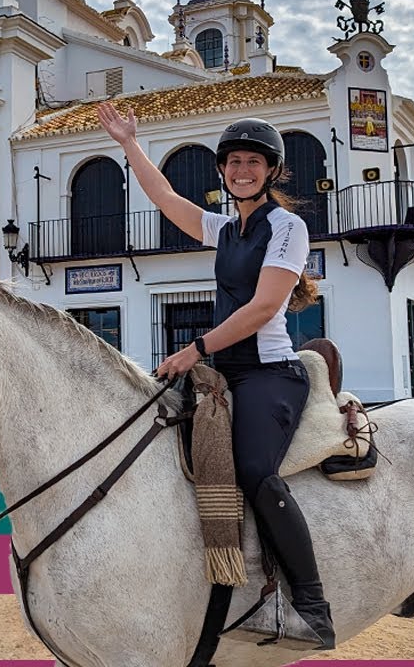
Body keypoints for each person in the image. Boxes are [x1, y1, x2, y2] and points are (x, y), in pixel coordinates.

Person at [95, 103, 334, 651]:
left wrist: (193, 349)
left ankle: (313, 606)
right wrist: (130, 144)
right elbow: (165, 200)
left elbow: (263, 307)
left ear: (271, 171)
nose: (242, 170)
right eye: (233, 163)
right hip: (220, 373)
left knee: (255, 470)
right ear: (223, 172)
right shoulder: (224, 228)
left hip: (269, 372)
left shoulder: (287, 227)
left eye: (253, 162)